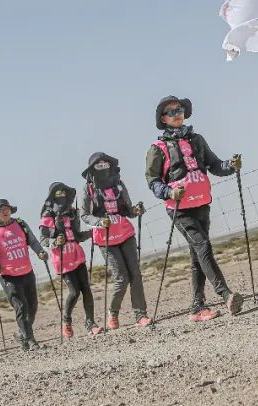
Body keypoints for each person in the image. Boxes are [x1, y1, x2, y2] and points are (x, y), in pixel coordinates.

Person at [145, 96, 244, 322]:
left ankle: (197, 308)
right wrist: (169, 192)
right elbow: (153, 181)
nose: (177, 114)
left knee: (198, 256)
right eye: (171, 112)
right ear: (163, 119)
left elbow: (215, 165)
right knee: (203, 246)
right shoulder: (157, 149)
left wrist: (231, 165)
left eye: (179, 109)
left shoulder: (197, 139)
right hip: (179, 209)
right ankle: (226, 295)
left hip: (201, 204)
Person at [81, 152, 152, 329]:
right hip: (105, 240)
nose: (103, 167)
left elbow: (128, 210)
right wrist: (99, 221)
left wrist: (136, 210)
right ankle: (113, 312)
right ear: (92, 169)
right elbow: (84, 215)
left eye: (105, 164)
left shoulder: (119, 184)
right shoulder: (88, 189)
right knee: (121, 277)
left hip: (125, 234)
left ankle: (140, 314)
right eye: (99, 165)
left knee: (135, 274)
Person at [0, 198, 48, 351]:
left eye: (7, 208)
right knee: (21, 307)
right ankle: (31, 341)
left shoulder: (21, 224)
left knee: (32, 307)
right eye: (1, 210)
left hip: (27, 271)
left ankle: (21, 334)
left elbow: (33, 241)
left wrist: (40, 252)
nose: (5, 211)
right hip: (8, 276)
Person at [39, 182, 101, 338]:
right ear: (52, 196)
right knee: (74, 292)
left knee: (86, 290)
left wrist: (92, 232)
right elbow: (43, 239)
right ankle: (66, 321)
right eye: (58, 193)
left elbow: (77, 236)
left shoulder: (73, 212)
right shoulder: (48, 214)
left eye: (64, 192)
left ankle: (91, 324)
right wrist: (55, 242)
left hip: (77, 256)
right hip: (62, 260)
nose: (62, 195)